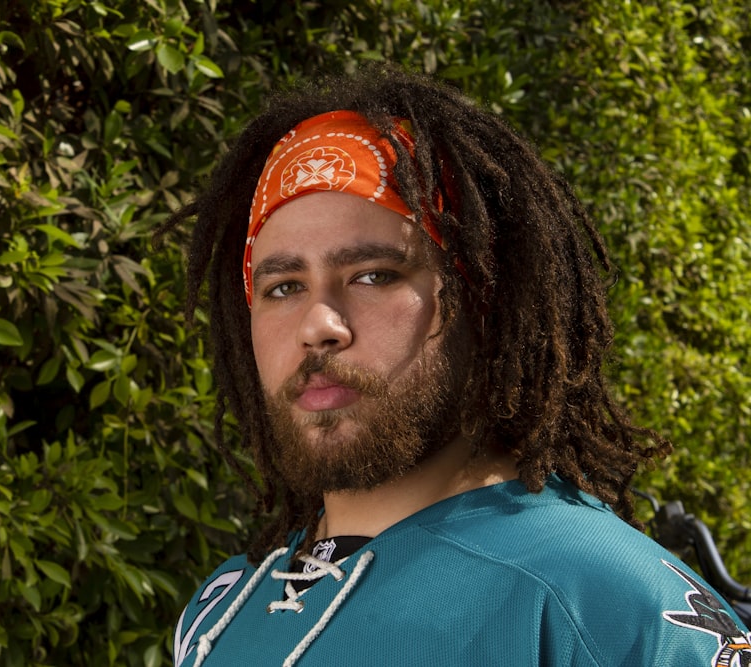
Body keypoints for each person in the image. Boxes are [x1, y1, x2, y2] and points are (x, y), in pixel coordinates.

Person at [161, 66, 751, 666]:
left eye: (374, 276)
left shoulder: (602, 601)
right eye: (283, 287)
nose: (319, 324)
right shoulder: (220, 612)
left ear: (480, 301)